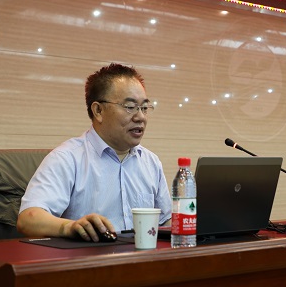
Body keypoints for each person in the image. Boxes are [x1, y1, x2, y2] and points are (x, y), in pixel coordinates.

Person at [17, 63, 172, 242]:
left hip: (143, 257)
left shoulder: (151, 162)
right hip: (89, 257)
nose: (141, 117)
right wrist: (69, 227)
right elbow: (29, 219)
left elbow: (166, 222)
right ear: (98, 111)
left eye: (144, 108)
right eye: (130, 107)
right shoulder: (67, 158)